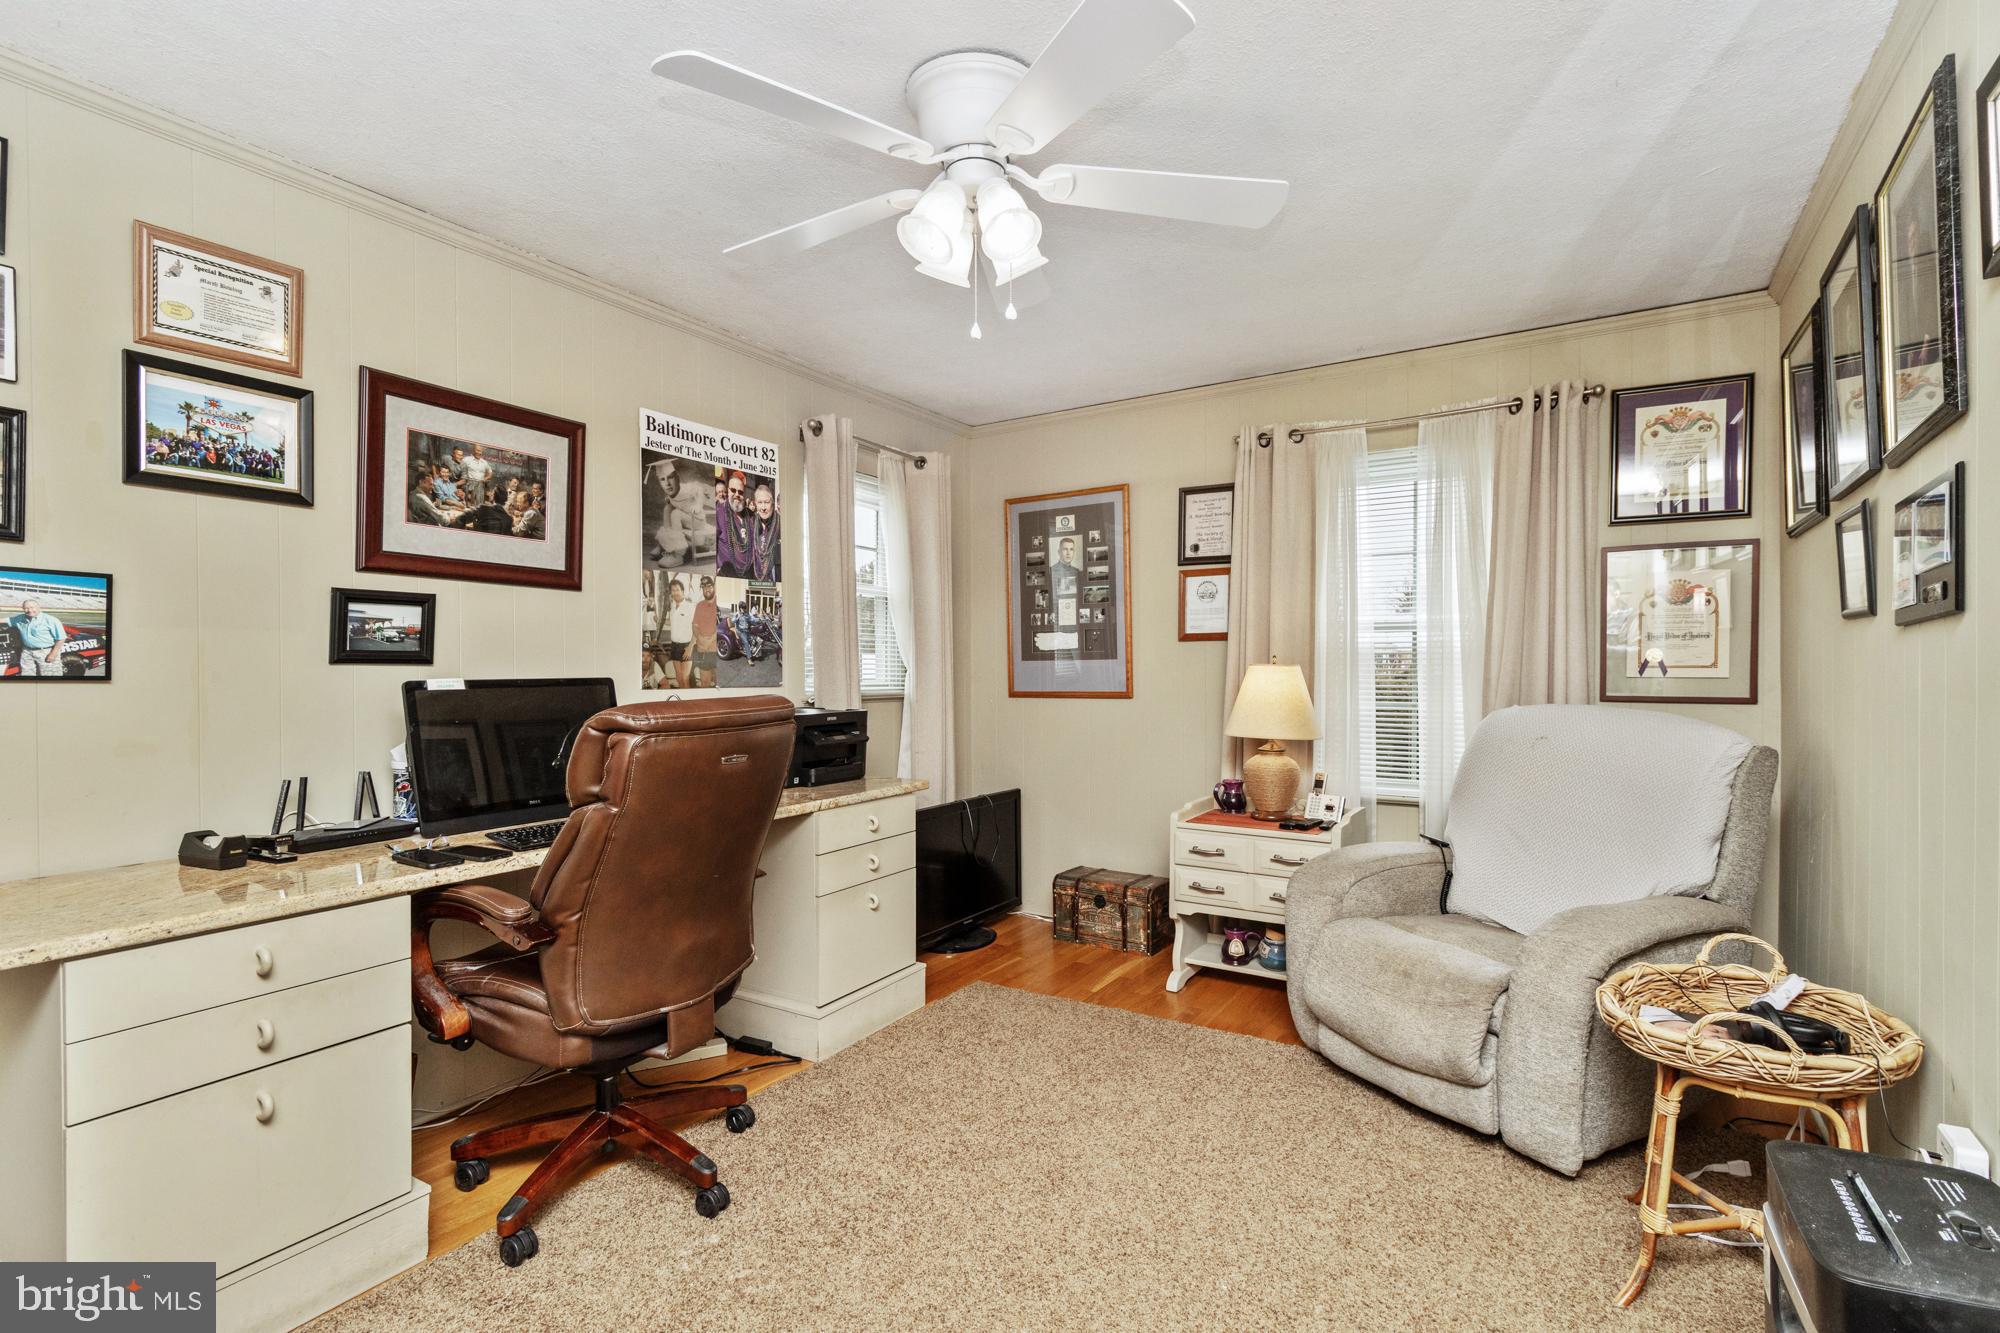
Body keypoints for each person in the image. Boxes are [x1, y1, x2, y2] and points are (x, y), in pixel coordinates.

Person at [8, 596, 68, 677]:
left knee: (50, 675)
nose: (29, 610)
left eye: (32, 607)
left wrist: (53, 654)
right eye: (26, 608)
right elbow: (7, 620)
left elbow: (61, 638)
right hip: (27, 651)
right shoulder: (20, 618)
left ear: (38, 607)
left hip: (46, 651)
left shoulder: (51, 620)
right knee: (26, 674)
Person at [716, 470, 756, 577]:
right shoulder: (720, 512)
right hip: (728, 574)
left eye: (741, 492)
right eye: (733, 490)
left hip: (749, 573)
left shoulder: (751, 516)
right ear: (728, 491)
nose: (737, 495)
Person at [666, 577, 695, 688]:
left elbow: (697, 628)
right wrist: (658, 619)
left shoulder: (690, 607)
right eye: (673, 590)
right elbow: (672, 622)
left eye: (677, 589)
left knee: (685, 678)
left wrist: (690, 647)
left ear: (682, 591)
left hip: (686, 646)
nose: (675, 592)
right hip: (674, 646)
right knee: (678, 677)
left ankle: (687, 702)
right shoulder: (672, 607)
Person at [750, 481, 781, 582]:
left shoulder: (781, 523)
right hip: (755, 578)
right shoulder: (751, 523)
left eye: (766, 502)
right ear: (755, 503)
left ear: (772, 503)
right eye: (760, 502)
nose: (763, 508)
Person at [692, 576, 719, 687]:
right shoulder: (699, 605)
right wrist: (700, 638)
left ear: (713, 586)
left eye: (709, 586)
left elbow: (723, 626)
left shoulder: (719, 602)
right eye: (704, 587)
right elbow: (694, 626)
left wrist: (711, 639)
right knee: (705, 682)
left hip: (716, 649)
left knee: (719, 681)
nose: (707, 589)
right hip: (702, 649)